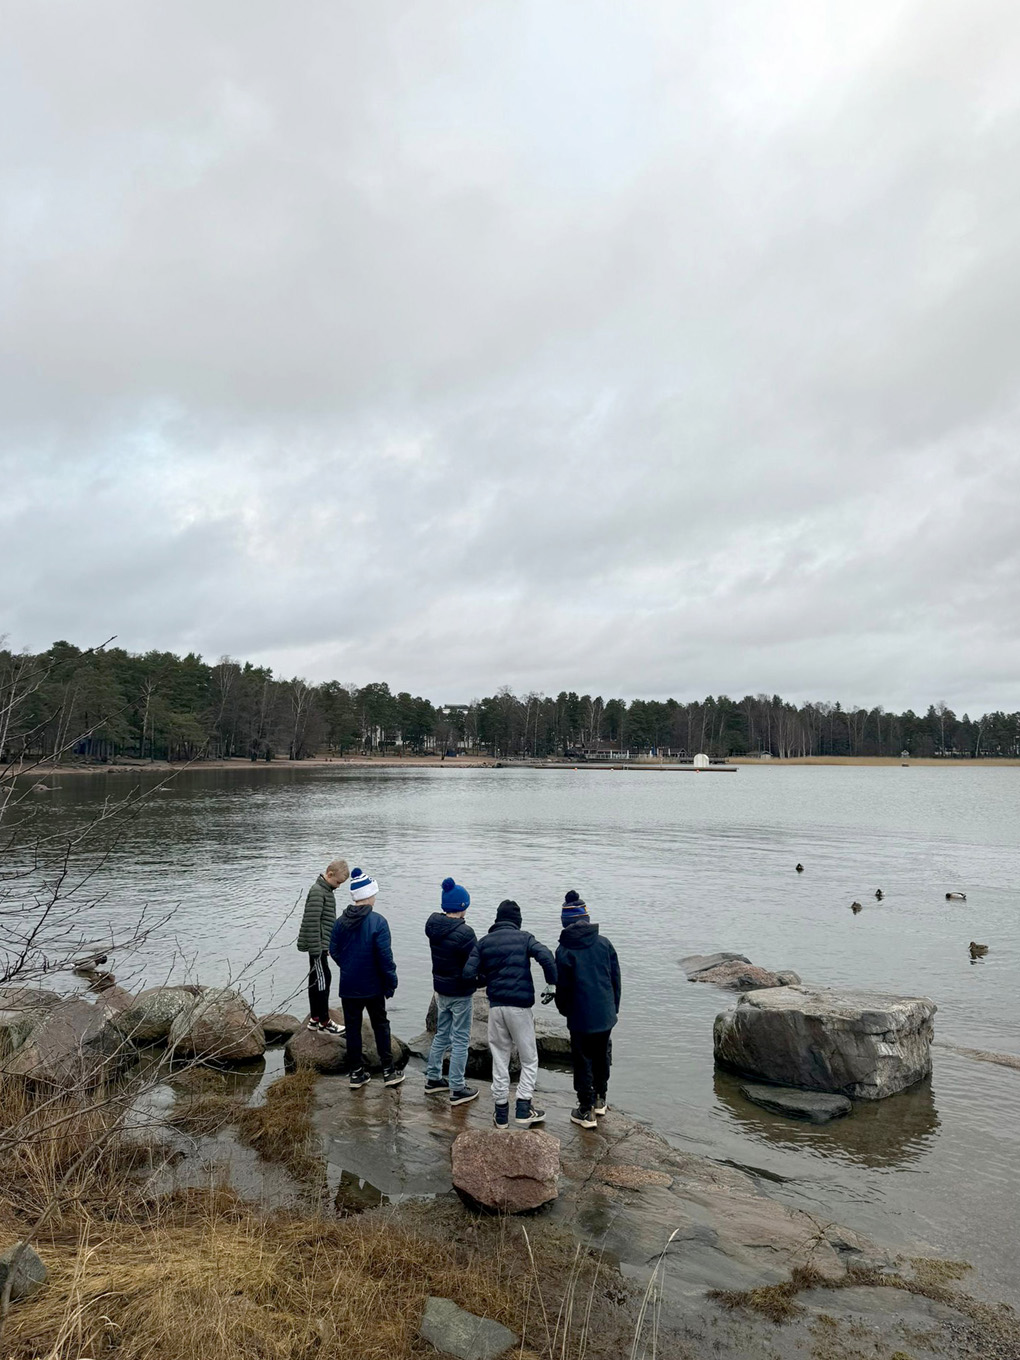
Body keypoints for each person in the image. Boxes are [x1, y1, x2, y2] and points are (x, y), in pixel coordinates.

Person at [463, 900, 557, 1129]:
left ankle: (501, 1112)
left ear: (497, 919)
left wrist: (486, 980)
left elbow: (468, 974)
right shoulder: (525, 938)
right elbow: (546, 956)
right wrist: (552, 984)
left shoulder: (484, 942)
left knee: (500, 1057)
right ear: (518, 920)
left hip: (496, 1008)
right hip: (520, 1009)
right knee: (529, 1058)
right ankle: (524, 1107)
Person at [328, 867, 403, 1089]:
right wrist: (391, 982)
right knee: (381, 1024)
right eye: (373, 894)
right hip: (373, 985)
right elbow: (385, 958)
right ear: (368, 896)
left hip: (349, 985)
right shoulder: (378, 922)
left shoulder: (341, 921)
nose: (375, 897)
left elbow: (334, 950)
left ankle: (356, 1073)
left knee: (352, 1028)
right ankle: (389, 1071)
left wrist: (348, 966)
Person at [554, 889, 621, 1129]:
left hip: (579, 1015)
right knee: (602, 1054)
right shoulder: (604, 944)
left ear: (566, 922)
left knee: (582, 1059)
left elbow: (562, 987)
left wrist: (564, 1009)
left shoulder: (563, 951)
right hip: (604, 1013)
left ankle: (586, 1109)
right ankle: (601, 1098)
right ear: (586, 919)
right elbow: (615, 979)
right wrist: (614, 1008)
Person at [424, 877, 479, 1106]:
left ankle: (433, 1078)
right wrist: (482, 980)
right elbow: (474, 964)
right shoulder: (465, 934)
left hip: (441, 989)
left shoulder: (433, 928)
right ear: (462, 907)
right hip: (460, 993)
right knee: (460, 1039)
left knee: (441, 1034)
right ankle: (457, 1088)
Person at [296, 858, 349, 1034]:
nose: (339, 886)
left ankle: (315, 1018)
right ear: (330, 874)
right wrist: (317, 949)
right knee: (322, 980)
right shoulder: (318, 891)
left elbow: (323, 922)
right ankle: (324, 1022)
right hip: (316, 947)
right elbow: (312, 921)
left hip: (320, 945)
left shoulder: (325, 890)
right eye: (338, 882)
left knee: (317, 980)